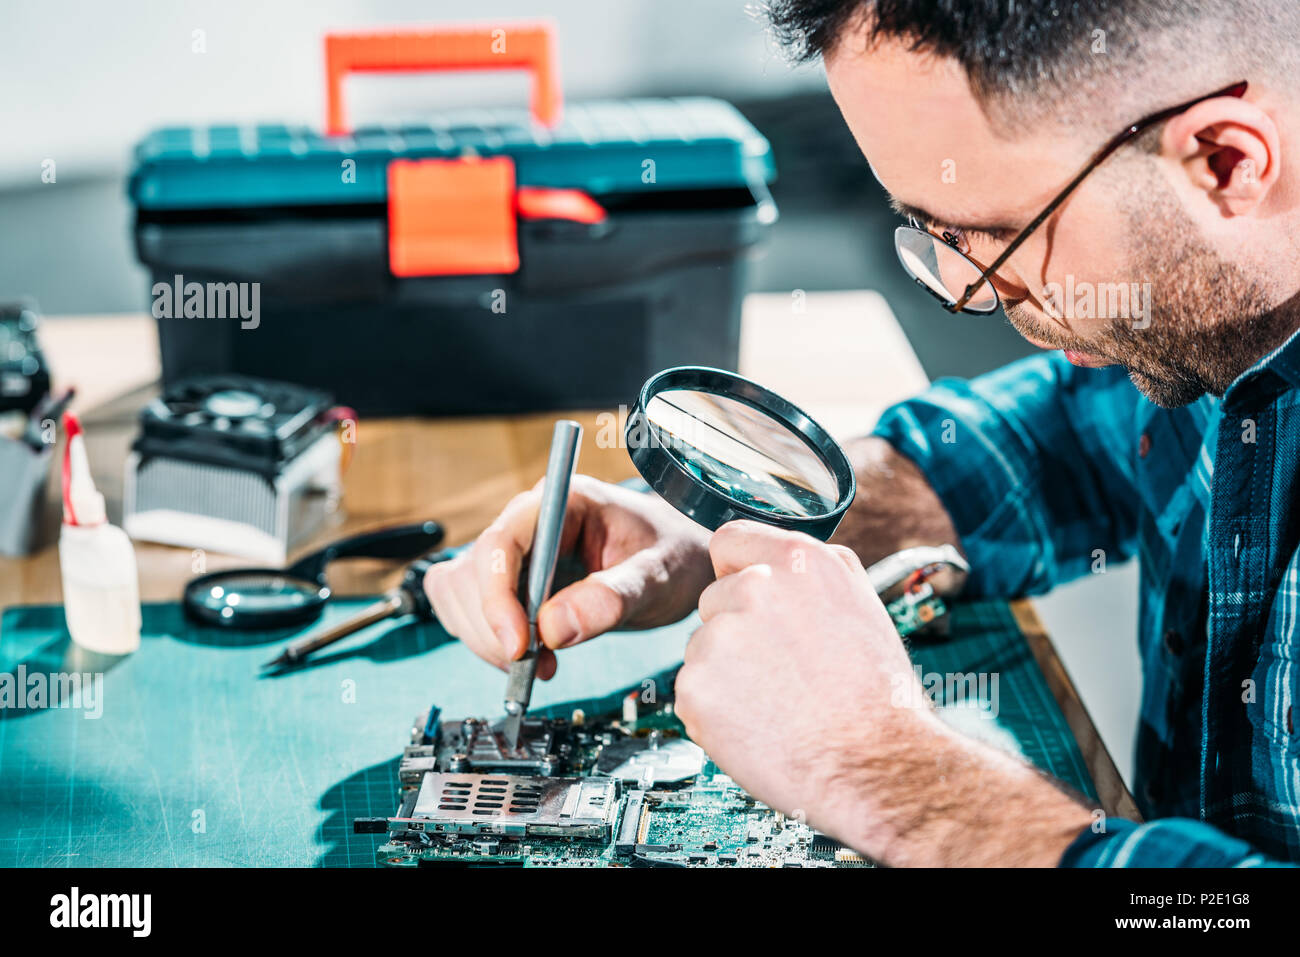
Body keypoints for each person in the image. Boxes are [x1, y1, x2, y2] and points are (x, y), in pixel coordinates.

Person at [425, 0, 1300, 866]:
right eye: (931, 232)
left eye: (995, 239)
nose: (969, 295)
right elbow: (1068, 437)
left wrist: (896, 776)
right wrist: (725, 524)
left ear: (1226, 161)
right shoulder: (1208, 325)